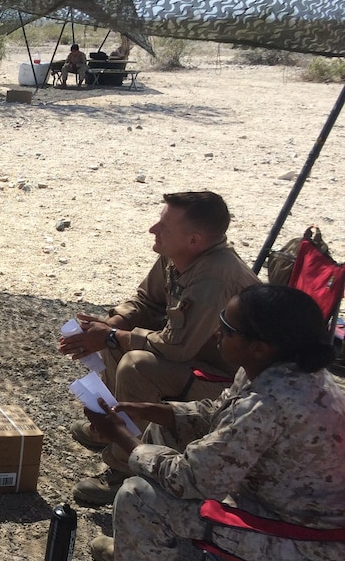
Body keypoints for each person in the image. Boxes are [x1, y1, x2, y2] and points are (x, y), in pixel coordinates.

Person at [61, 284, 345, 561]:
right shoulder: (282, 370)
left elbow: (188, 480)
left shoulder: (270, 403)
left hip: (305, 543)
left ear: (259, 345)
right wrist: (161, 410)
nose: (216, 332)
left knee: (140, 496)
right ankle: (143, 559)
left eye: (226, 327)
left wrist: (121, 438)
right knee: (165, 429)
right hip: (293, 511)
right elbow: (221, 416)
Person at [58, 191, 259, 505]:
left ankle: (124, 467)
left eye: (164, 226)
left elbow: (176, 349)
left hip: (223, 382)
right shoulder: (179, 253)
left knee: (136, 365)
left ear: (194, 239)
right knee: (117, 334)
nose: (153, 229)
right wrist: (113, 322)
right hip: (191, 358)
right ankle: (111, 426)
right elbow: (146, 300)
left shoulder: (214, 278)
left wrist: (109, 335)